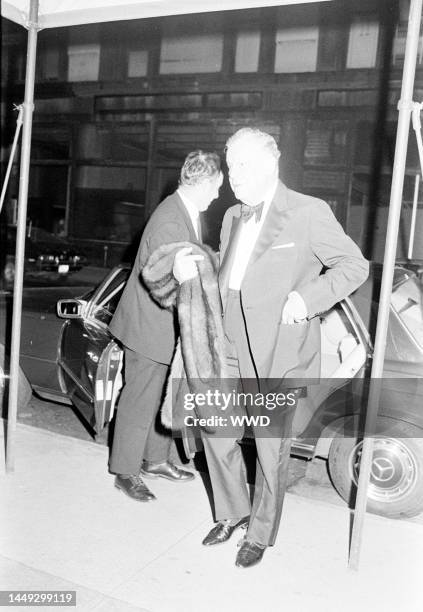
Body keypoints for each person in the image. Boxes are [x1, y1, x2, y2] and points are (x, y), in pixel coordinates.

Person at [173, 128, 369, 568]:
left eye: (242, 164)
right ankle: (231, 512)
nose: (233, 174)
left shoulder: (307, 212)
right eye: (231, 163)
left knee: (269, 446)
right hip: (226, 343)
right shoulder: (230, 217)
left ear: (270, 166)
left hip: (278, 352)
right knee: (216, 432)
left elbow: (354, 265)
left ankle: (259, 533)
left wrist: (306, 300)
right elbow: (232, 275)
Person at [109, 150, 223, 502]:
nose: (218, 195)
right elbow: (163, 281)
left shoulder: (183, 210)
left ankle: (155, 460)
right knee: (139, 398)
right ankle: (125, 471)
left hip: (161, 326)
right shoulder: (171, 220)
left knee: (160, 394)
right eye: (216, 188)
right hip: (148, 326)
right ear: (202, 184)